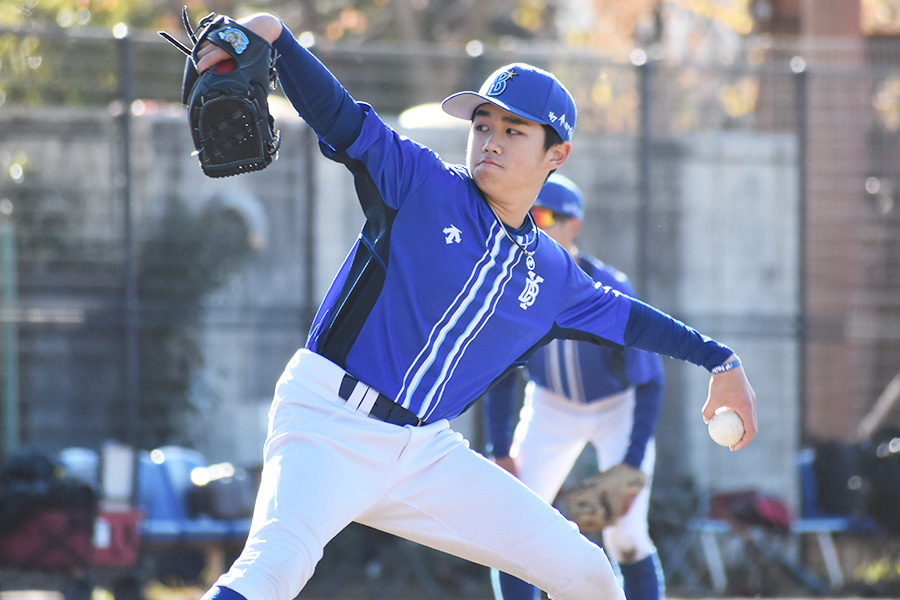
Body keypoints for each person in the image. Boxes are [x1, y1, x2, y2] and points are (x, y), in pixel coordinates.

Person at [191, 12, 757, 600]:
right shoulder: (419, 181)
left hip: (425, 453)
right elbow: (341, 115)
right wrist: (276, 36)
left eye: (515, 131)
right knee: (272, 573)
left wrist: (722, 361)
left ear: (556, 154)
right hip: (328, 423)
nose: (491, 139)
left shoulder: (557, 276)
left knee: (587, 574)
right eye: (482, 124)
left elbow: (631, 319)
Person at [482, 174, 666, 600]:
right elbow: (501, 374)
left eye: (546, 215)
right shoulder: (513, 287)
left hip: (615, 408)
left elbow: (651, 380)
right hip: (550, 405)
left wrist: (633, 463)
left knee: (627, 537)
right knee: (513, 529)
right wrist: (500, 448)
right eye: (528, 214)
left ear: (575, 226)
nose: (535, 223)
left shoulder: (609, 289)